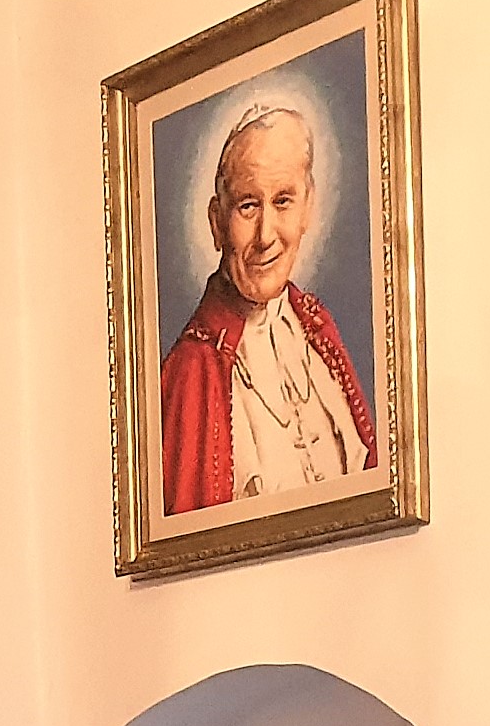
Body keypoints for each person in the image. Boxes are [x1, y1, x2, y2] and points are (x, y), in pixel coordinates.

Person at [160, 103, 377, 516]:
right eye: (248, 205)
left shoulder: (317, 328)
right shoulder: (191, 370)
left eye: (283, 201)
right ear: (217, 222)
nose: (265, 236)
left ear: (308, 208)